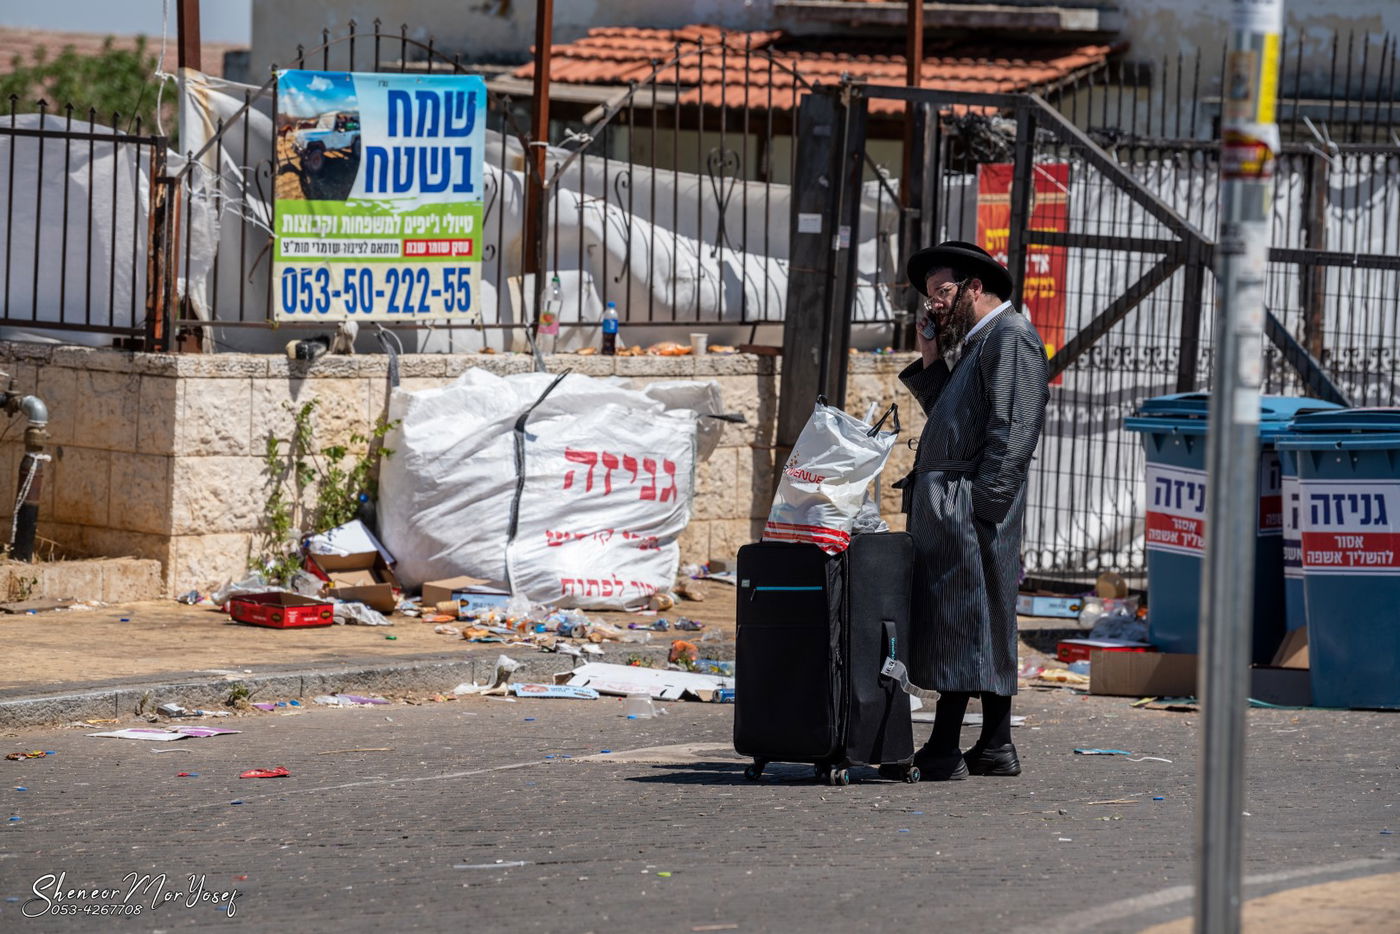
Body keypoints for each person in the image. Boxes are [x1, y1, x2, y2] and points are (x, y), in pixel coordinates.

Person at [896, 240, 1049, 781]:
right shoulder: (978, 343)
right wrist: (931, 356)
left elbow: (1014, 429)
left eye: (942, 292)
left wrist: (982, 507)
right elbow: (953, 416)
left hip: (971, 503)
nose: (934, 304)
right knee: (976, 617)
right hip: (956, 503)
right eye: (930, 296)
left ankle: (945, 746)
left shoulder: (1011, 336)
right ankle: (994, 744)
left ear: (974, 287)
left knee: (962, 617)